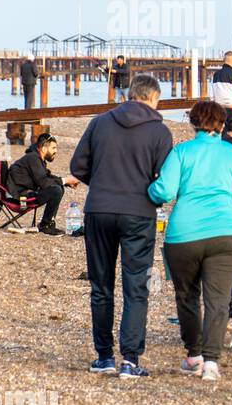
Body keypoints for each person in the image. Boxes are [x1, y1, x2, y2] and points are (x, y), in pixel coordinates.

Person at [70, 73, 174, 379]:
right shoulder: (159, 132)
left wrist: (103, 184)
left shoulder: (100, 122)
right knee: (135, 287)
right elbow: (164, 180)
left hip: (99, 209)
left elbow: (77, 167)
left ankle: (104, 356)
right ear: (154, 98)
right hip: (138, 213)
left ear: (130, 94)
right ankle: (129, 359)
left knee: (100, 286)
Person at [149, 101, 232, 382]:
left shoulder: (182, 151)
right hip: (226, 234)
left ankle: (194, 353)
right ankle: (211, 362)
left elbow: (164, 190)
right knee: (218, 301)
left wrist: (148, 188)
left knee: (186, 296)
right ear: (222, 124)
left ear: (193, 123)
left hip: (184, 235)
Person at [6, 132, 80, 235]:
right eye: (53, 148)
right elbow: (44, 182)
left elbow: (47, 177)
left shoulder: (35, 158)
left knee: (58, 187)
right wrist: (65, 180)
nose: (56, 151)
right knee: (56, 190)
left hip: (22, 194)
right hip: (20, 199)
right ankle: (45, 225)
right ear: (44, 148)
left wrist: (67, 182)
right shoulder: (33, 158)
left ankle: (48, 224)